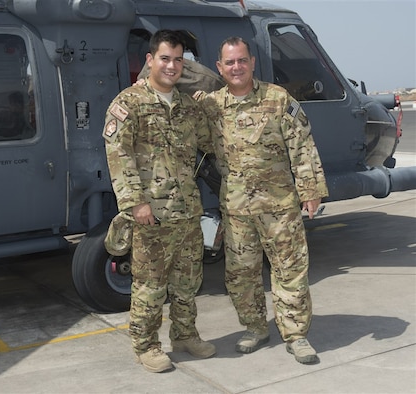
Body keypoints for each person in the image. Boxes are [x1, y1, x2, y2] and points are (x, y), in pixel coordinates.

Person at [198, 37, 329, 364]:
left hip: (280, 206)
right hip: (237, 209)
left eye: (242, 60)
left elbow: (302, 145)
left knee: (290, 271)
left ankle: (296, 334)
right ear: (220, 67)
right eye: (230, 63)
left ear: (252, 62)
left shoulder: (277, 98)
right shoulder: (211, 107)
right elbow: (189, 132)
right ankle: (255, 327)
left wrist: (310, 191)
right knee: (241, 274)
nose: (236, 67)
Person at [103, 29, 216, 373]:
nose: (172, 66)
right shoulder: (128, 103)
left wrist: (210, 108)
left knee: (187, 281)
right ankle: (146, 344)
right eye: (165, 58)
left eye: (178, 59)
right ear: (150, 60)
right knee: (150, 285)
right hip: (151, 213)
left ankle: (184, 335)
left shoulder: (187, 106)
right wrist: (136, 203)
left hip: (186, 211)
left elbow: (209, 144)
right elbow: (118, 155)